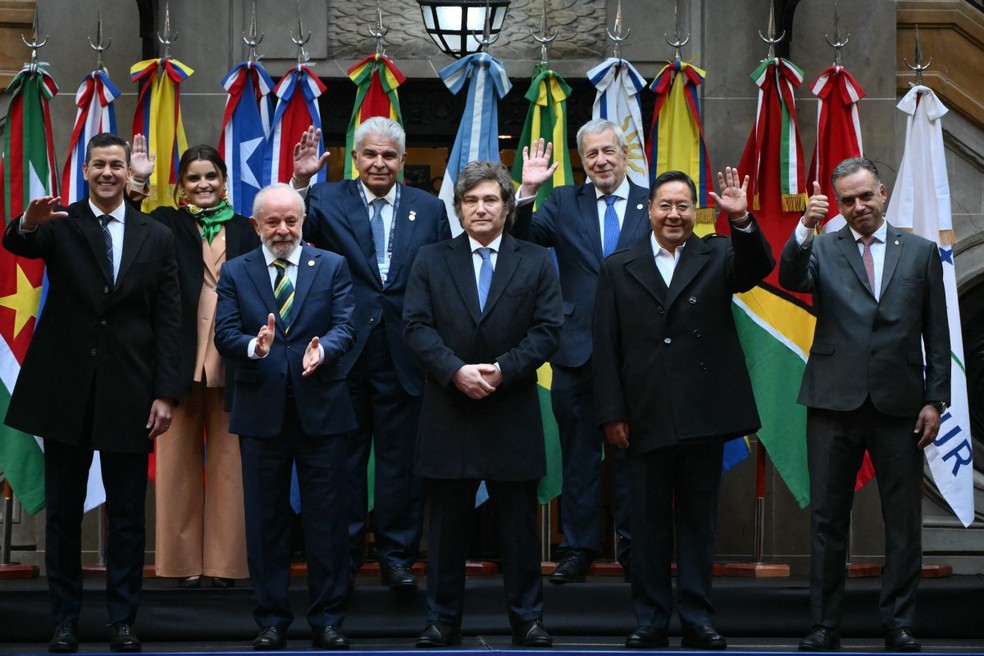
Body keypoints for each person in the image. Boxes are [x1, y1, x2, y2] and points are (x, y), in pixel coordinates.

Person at [2, 133, 182, 653]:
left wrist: (166, 392)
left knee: (127, 515)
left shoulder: (156, 234)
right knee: (62, 512)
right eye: (99, 164)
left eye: (116, 165)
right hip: (66, 390)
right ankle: (64, 620)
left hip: (131, 390)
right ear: (85, 171)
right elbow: (19, 243)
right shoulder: (61, 224)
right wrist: (29, 221)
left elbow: (169, 319)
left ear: (130, 174)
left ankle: (122, 620)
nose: (107, 173)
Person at [593, 168, 774, 650]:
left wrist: (741, 220)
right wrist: (612, 412)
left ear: (697, 212)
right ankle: (650, 619)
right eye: (665, 206)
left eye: (683, 206)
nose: (674, 214)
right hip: (643, 413)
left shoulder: (718, 252)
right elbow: (606, 348)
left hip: (703, 412)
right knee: (647, 526)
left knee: (698, 523)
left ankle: (697, 617)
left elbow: (757, 268)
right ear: (649, 210)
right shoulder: (618, 265)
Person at [778, 157, 950, 653]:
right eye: (847, 201)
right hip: (833, 402)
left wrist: (935, 399)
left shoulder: (919, 252)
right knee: (827, 521)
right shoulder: (823, 247)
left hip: (900, 406)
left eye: (865, 196)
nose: (858, 207)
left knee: (902, 522)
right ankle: (824, 625)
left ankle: (898, 623)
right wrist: (805, 226)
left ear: (883, 192)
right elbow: (791, 276)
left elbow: (936, 333)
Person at [403, 161, 563, 648]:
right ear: (458, 209)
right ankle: (442, 620)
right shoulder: (431, 258)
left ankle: (527, 620)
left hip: (510, 406)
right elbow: (415, 326)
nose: (480, 208)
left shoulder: (535, 259)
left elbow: (548, 329)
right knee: (447, 527)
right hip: (449, 409)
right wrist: (455, 370)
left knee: (517, 527)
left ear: (507, 206)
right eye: (470, 201)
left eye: (490, 199)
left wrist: (504, 369)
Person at [290, 117, 451, 589]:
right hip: (343, 350)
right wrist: (301, 182)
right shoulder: (324, 199)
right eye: (370, 154)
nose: (379, 162)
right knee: (344, 458)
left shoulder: (429, 207)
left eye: (388, 155)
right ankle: (345, 551)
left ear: (402, 161)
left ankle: (396, 555)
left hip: (406, 350)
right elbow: (290, 232)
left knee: (401, 460)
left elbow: (439, 274)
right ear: (354, 158)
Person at [214, 183, 357, 651]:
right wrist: (254, 347)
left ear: (302, 222)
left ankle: (328, 619)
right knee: (265, 522)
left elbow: (345, 327)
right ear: (256, 225)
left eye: (290, 221)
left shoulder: (332, 265)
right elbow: (225, 334)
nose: (282, 229)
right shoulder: (237, 271)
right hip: (261, 413)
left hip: (323, 412)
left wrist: (326, 349)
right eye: (272, 221)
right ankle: (271, 619)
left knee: (328, 522)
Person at [515, 119, 650, 581]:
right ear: (581, 160)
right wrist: (528, 192)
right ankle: (578, 548)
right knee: (578, 457)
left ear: (624, 152)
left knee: (635, 456)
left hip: (639, 354)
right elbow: (519, 240)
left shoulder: (652, 202)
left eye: (608, 151)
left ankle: (635, 549)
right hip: (575, 351)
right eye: (591, 154)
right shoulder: (561, 202)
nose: (601, 161)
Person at [129, 136, 257, 588]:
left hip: (234, 357)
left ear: (224, 182)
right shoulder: (166, 222)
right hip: (177, 357)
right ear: (182, 186)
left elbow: (288, 230)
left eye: (211, 176)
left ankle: (225, 565)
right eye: (193, 178)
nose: (203, 184)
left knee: (230, 464)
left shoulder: (247, 226)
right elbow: (127, 223)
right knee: (176, 463)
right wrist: (138, 179)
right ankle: (181, 564)